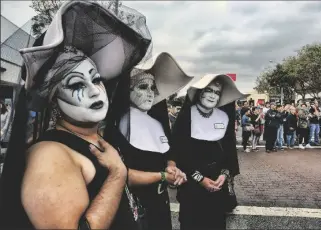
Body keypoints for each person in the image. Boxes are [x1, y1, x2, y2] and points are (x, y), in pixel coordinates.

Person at [0, 1, 152, 229]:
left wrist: (158, 175)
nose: (94, 90)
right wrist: (117, 174)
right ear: (53, 99)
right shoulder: (49, 156)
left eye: (96, 78)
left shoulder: (95, 137)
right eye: (76, 85)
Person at [107, 53, 192, 230]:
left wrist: (171, 167)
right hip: (133, 208)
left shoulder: (157, 123)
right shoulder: (116, 127)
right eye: (142, 87)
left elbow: (168, 153)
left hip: (160, 204)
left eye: (152, 88)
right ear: (127, 90)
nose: (150, 94)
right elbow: (120, 175)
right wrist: (162, 176)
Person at [172, 74, 243, 230]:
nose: (212, 95)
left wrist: (224, 174)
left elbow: (228, 152)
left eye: (217, 92)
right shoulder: (187, 116)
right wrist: (201, 179)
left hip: (217, 185)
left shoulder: (224, 117)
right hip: (192, 186)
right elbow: (179, 154)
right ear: (200, 92)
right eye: (209, 90)